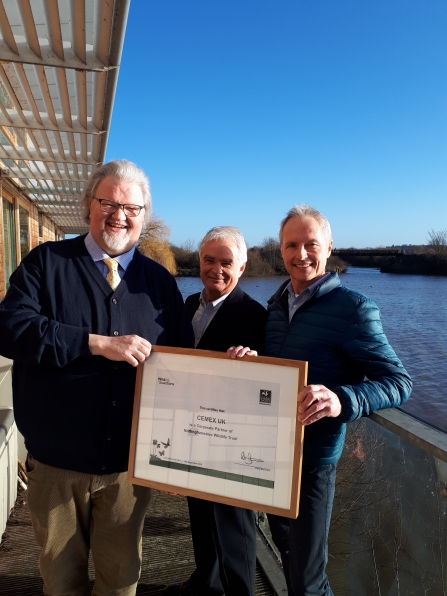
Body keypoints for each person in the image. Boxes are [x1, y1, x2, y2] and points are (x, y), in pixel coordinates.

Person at [0, 160, 194, 596]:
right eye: (108, 202)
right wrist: (95, 343)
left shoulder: (160, 283)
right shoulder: (45, 264)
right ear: (89, 204)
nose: (119, 215)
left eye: (132, 208)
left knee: (121, 581)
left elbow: (184, 363)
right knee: (60, 580)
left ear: (144, 216)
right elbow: (10, 329)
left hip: (129, 469)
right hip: (55, 466)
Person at [259, 205, 412, 596]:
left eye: (311, 244)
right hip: (271, 455)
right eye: (291, 245)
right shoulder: (275, 307)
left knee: (308, 580)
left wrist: (343, 399)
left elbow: (398, 381)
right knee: (289, 556)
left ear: (329, 247)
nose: (301, 254)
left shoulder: (354, 309)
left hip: (314, 463)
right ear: (281, 250)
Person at [165, 226, 268, 596]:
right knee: (200, 517)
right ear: (200, 261)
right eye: (209, 260)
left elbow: (269, 378)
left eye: (227, 262)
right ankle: (205, 584)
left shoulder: (255, 315)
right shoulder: (187, 305)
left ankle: (239, 591)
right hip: (191, 430)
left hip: (230, 439)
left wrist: (257, 362)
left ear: (242, 267)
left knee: (234, 525)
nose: (217, 269)